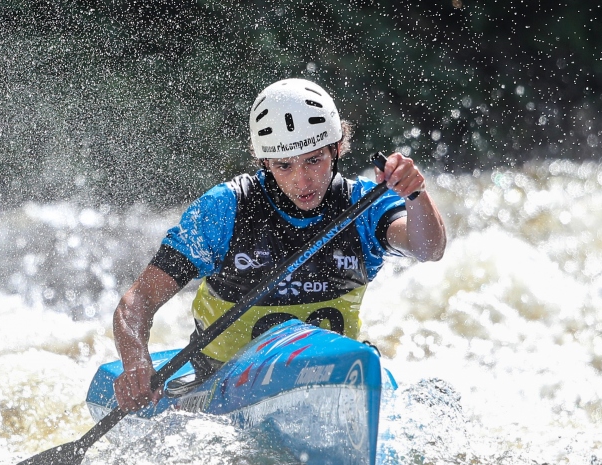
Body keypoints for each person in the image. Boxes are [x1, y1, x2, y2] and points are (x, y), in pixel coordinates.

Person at [112, 78, 446, 412]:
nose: (302, 180)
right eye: (284, 165)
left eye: (314, 160)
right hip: (220, 388)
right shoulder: (225, 210)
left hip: (333, 383)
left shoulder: (364, 205)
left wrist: (415, 195)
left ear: (337, 148)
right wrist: (137, 363)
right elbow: (138, 301)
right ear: (265, 163)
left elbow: (429, 248)